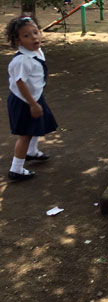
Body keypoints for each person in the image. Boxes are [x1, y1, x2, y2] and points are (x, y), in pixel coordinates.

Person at [5, 14, 58, 180]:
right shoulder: (22, 60)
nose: (34, 37)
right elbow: (20, 83)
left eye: (35, 32)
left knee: (38, 124)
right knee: (25, 134)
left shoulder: (36, 51)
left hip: (34, 97)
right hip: (24, 100)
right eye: (26, 36)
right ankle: (17, 168)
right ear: (18, 41)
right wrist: (33, 104)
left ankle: (32, 152)